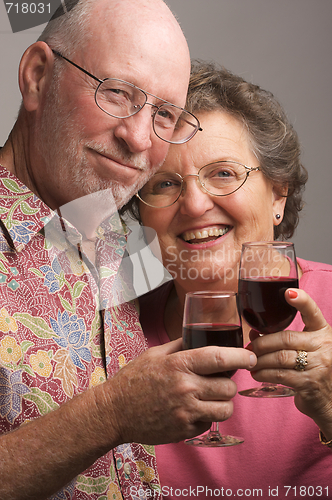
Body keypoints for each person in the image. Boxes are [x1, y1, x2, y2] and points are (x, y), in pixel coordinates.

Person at [0, 5, 257, 499]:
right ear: (36, 77)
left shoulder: (122, 238)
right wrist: (110, 415)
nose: (138, 139)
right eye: (117, 93)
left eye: (163, 114)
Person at [125, 61, 332, 498]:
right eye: (164, 183)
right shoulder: (107, 336)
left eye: (223, 173)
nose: (195, 205)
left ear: (278, 193)